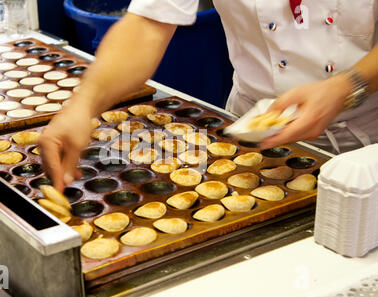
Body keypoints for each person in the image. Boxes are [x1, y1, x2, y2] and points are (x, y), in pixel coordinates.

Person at [39, 0, 378, 191]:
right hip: (252, 139)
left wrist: (348, 85)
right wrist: (83, 104)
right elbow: (147, 25)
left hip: (367, 145)